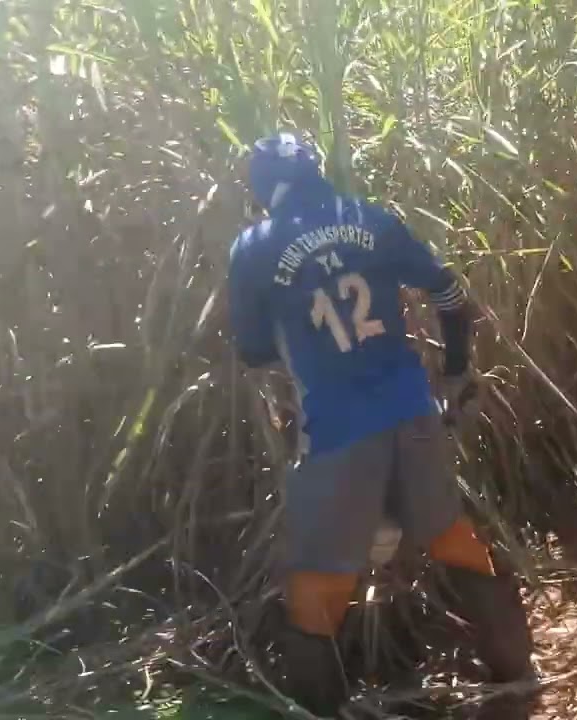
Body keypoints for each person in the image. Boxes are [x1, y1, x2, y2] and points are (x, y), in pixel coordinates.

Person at [226, 132, 535, 717]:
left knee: (319, 577)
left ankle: (318, 708)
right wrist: (457, 369)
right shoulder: (370, 219)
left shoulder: (253, 248)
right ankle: (517, 674)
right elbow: (450, 294)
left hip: (338, 429)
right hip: (412, 411)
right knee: (451, 537)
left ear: (262, 187)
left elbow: (254, 350)